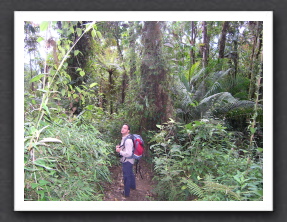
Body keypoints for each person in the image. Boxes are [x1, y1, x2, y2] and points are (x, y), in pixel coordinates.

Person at [115, 124, 136, 197]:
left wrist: (119, 151)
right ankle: (133, 186)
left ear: (128, 131)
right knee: (130, 173)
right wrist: (120, 148)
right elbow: (125, 148)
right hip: (129, 160)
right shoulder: (125, 138)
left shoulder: (128, 141)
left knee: (126, 177)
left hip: (127, 161)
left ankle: (126, 193)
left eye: (125, 128)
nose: (123, 129)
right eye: (122, 127)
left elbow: (129, 153)